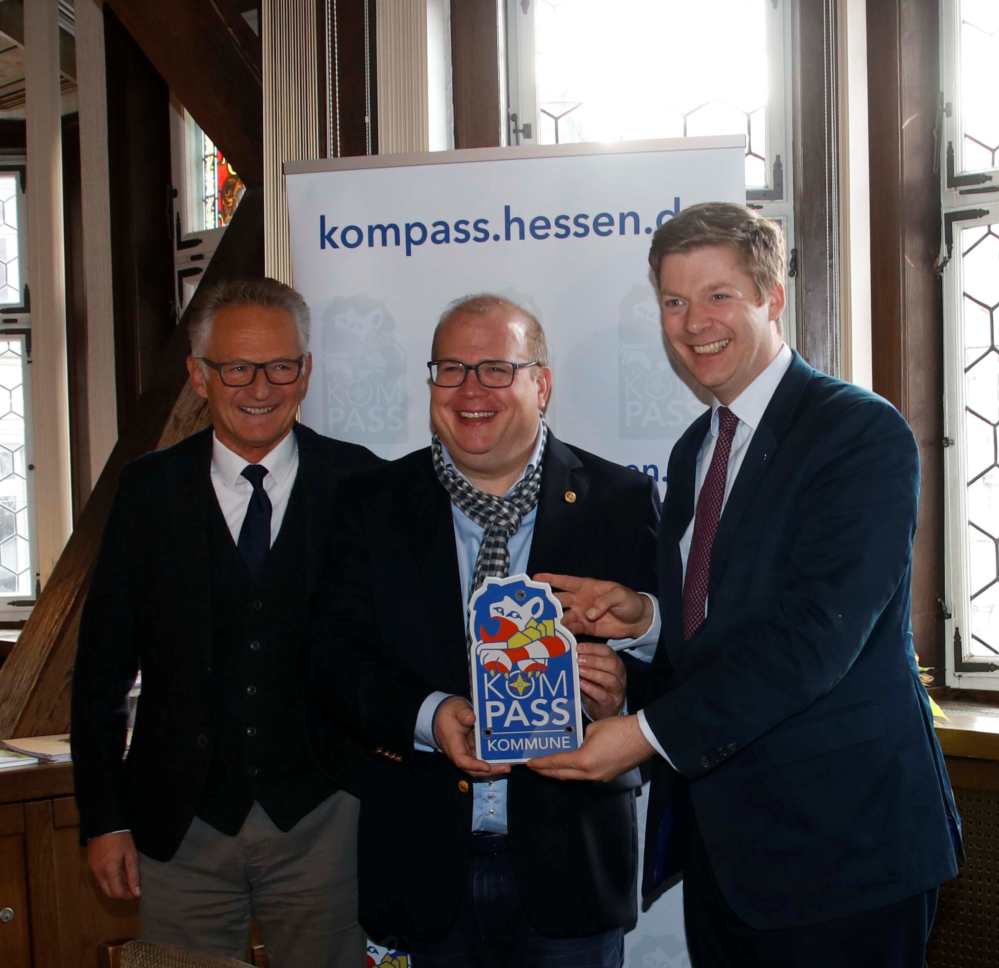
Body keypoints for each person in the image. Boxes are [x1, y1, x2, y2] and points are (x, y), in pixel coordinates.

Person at [529, 203, 962, 968]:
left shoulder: (858, 433)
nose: (694, 322)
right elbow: (724, 622)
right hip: (726, 854)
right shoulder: (696, 447)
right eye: (674, 300)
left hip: (844, 853)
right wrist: (647, 618)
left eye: (719, 295)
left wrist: (644, 736)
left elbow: (814, 638)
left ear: (772, 298)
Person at [307, 294, 660, 968]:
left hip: (572, 872)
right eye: (451, 369)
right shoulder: (370, 504)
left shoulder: (620, 502)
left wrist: (622, 691)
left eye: (497, 368)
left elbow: (676, 663)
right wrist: (430, 716)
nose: (471, 390)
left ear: (541, 384)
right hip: (420, 866)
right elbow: (331, 658)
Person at [71, 278, 381, 967]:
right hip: (180, 824)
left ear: (306, 370)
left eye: (280, 366)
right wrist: (104, 819)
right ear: (198, 376)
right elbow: (100, 673)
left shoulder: (363, 485)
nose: (260, 388)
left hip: (327, 818)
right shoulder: (146, 492)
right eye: (237, 367)